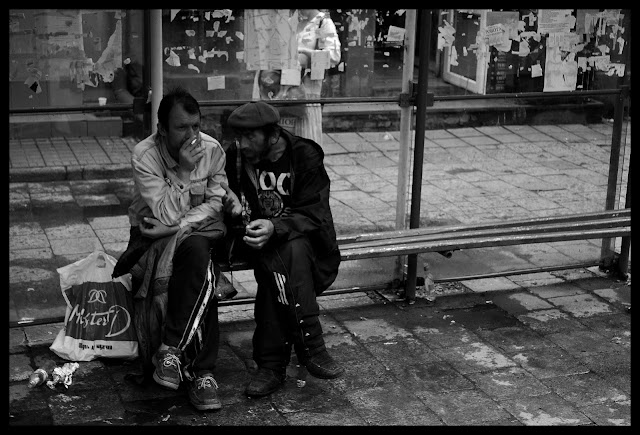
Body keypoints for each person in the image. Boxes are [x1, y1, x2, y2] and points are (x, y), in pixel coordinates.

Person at [112, 87, 231, 412]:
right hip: (150, 236)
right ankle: (203, 373)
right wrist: (183, 171)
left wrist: (178, 227)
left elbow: (216, 204)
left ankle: (170, 352)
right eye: (182, 128)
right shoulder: (145, 155)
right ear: (162, 128)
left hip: (193, 231)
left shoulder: (212, 149)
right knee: (203, 269)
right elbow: (162, 215)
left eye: (196, 126)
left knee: (197, 251)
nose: (192, 136)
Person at [222, 100, 343, 397]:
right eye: (239, 136)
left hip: (307, 246)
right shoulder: (236, 157)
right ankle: (311, 346)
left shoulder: (304, 155)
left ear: (273, 135)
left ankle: (271, 366)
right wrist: (232, 206)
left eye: (250, 137)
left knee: (284, 257)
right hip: (253, 241)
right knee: (279, 257)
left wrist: (275, 228)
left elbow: (314, 213)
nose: (242, 144)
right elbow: (221, 195)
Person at [295, 9, 341, 146]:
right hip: (286, 90)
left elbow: (333, 56)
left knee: (306, 136)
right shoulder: (293, 20)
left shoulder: (323, 22)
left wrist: (305, 52)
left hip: (308, 90)